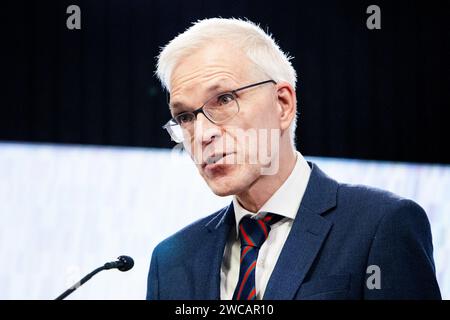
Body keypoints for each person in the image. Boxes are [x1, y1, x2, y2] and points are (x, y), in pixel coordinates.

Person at [146, 18, 441, 300]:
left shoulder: (381, 226)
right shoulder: (171, 261)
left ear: (283, 104)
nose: (202, 134)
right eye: (184, 117)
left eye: (224, 99)